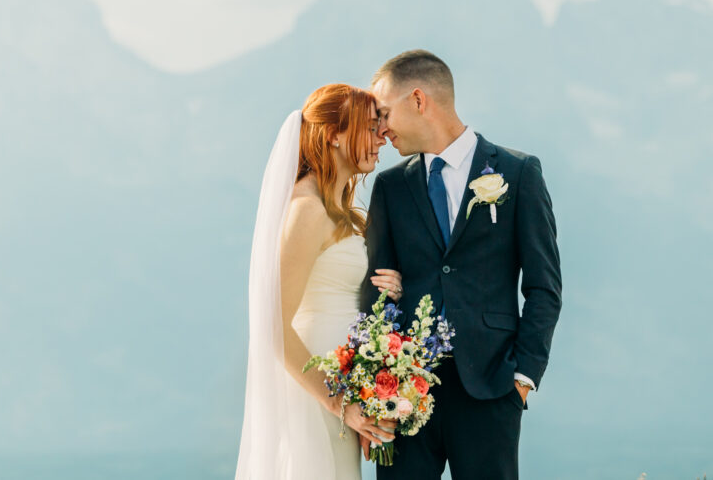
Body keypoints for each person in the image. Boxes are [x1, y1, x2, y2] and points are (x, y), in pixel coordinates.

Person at [361, 49, 563, 480]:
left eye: (383, 113)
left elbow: (544, 285)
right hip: (404, 397)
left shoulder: (518, 172)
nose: (380, 129)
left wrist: (523, 378)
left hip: (491, 389)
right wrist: (375, 391)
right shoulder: (390, 188)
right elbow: (375, 292)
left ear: (418, 100)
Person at [235, 83, 403, 479]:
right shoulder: (307, 209)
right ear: (334, 134)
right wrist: (339, 402)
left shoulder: (337, 209)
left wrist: (386, 289)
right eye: (370, 126)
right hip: (316, 394)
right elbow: (273, 326)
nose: (382, 137)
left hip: (342, 387)